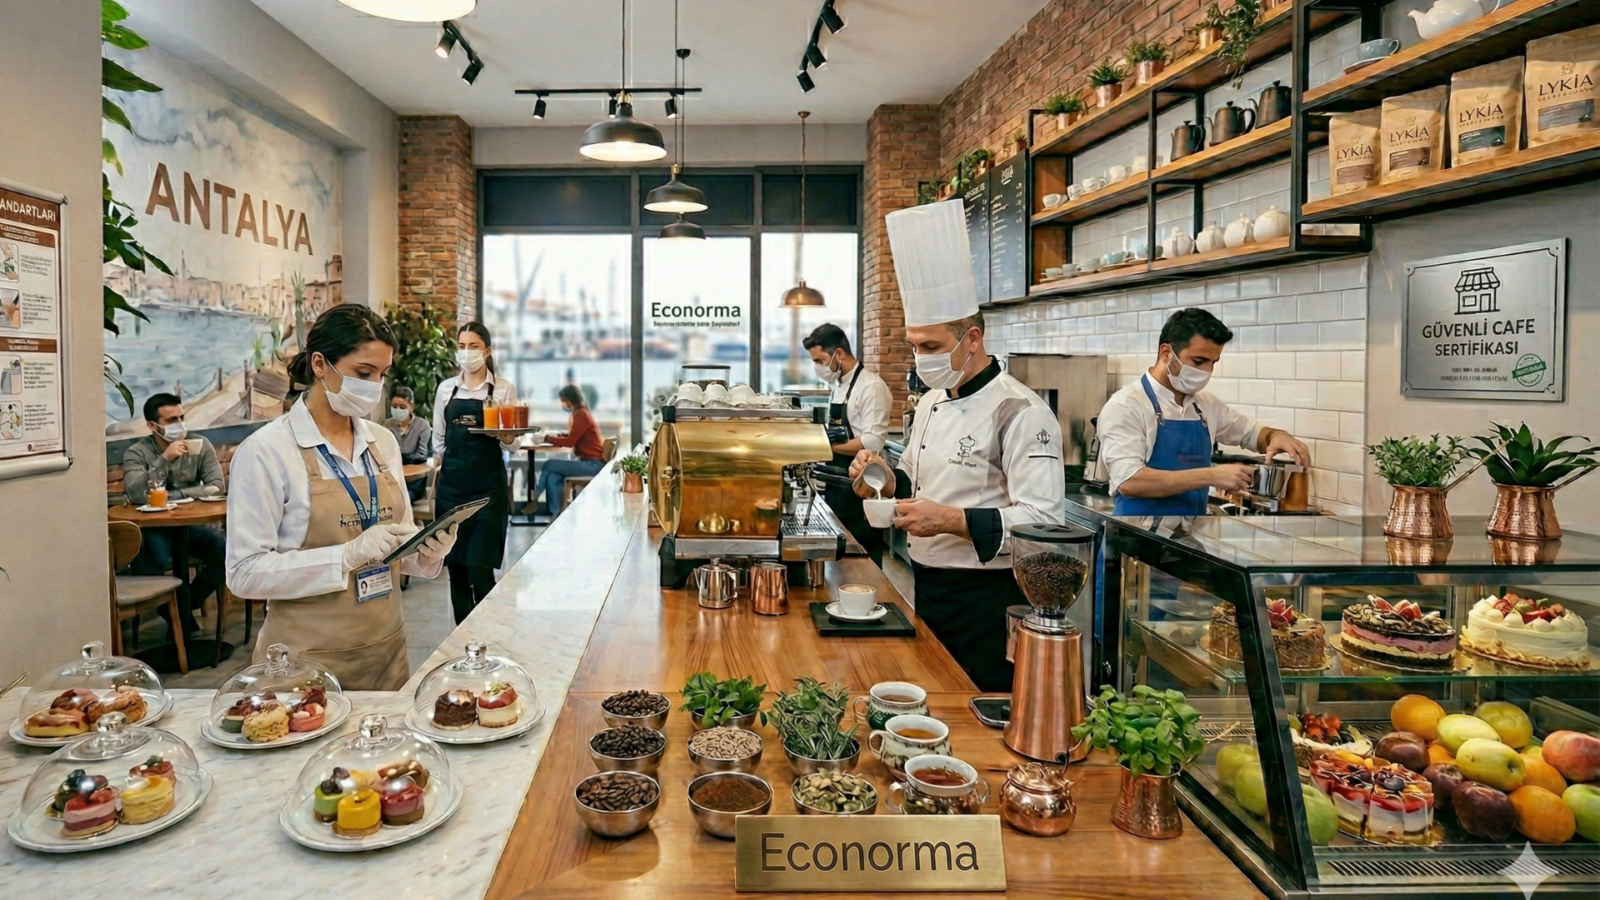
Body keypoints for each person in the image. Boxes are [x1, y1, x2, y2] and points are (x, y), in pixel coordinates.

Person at [848, 199, 1065, 692]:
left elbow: (1046, 521)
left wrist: (948, 520)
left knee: (978, 707)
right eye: (913, 346)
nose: (919, 358)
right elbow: (918, 480)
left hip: (988, 595)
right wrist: (878, 477)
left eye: (929, 347)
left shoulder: (1022, 411)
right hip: (931, 584)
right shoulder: (931, 402)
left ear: (971, 338)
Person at [225, 304, 457, 691]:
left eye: (382, 375)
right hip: (304, 666)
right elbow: (244, 574)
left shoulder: (382, 442)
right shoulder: (267, 450)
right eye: (363, 373)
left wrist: (425, 552)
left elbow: (394, 543)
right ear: (320, 364)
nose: (374, 386)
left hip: (386, 656)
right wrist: (345, 557)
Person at [1098, 308, 1311, 517]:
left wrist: (1276, 436)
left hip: (1186, 540)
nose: (1206, 371)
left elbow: (1252, 433)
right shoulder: (1126, 405)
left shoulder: (1205, 405)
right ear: (1166, 353)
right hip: (1135, 541)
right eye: (1198, 361)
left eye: (1213, 363)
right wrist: (1211, 476)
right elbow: (1129, 481)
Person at [432, 322, 518, 625]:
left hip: (488, 490)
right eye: (462, 346)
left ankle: (486, 638)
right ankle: (461, 644)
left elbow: (514, 442)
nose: (467, 353)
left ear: (487, 351)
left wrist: (505, 436)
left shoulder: (503, 389)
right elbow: (438, 443)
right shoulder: (445, 389)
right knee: (455, 569)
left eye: (474, 346)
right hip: (453, 488)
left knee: (481, 569)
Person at [121, 392, 226, 638]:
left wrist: (172, 494)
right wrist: (164, 459)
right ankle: (180, 628)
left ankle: (185, 605)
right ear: (152, 425)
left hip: (188, 525)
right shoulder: (137, 453)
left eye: (181, 417)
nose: (179, 424)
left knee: (226, 554)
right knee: (148, 562)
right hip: (154, 527)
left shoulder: (199, 445)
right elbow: (137, 494)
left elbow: (216, 486)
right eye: (171, 420)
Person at [803, 323, 892, 566]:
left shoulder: (871, 387)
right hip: (839, 482)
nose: (818, 367)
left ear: (839, 354)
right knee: (841, 555)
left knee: (862, 558)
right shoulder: (840, 386)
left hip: (861, 484)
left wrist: (822, 446)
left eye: (820, 360)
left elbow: (872, 441)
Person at [535, 384, 606, 517]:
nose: (563, 403)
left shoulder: (581, 415)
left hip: (592, 465)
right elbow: (576, 436)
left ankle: (535, 497)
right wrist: (560, 435)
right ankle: (556, 515)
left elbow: (570, 442)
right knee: (552, 476)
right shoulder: (582, 413)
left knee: (549, 465)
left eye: (564, 400)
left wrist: (547, 438)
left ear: (570, 399)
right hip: (590, 463)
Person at [386, 386, 434, 503]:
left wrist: (404, 460)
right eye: (394, 406)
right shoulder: (387, 424)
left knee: (405, 497)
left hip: (415, 477)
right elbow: (385, 452)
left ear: (411, 407)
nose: (398, 410)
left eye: (402, 407)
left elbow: (421, 455)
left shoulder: (422, 425)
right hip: (394, 474)